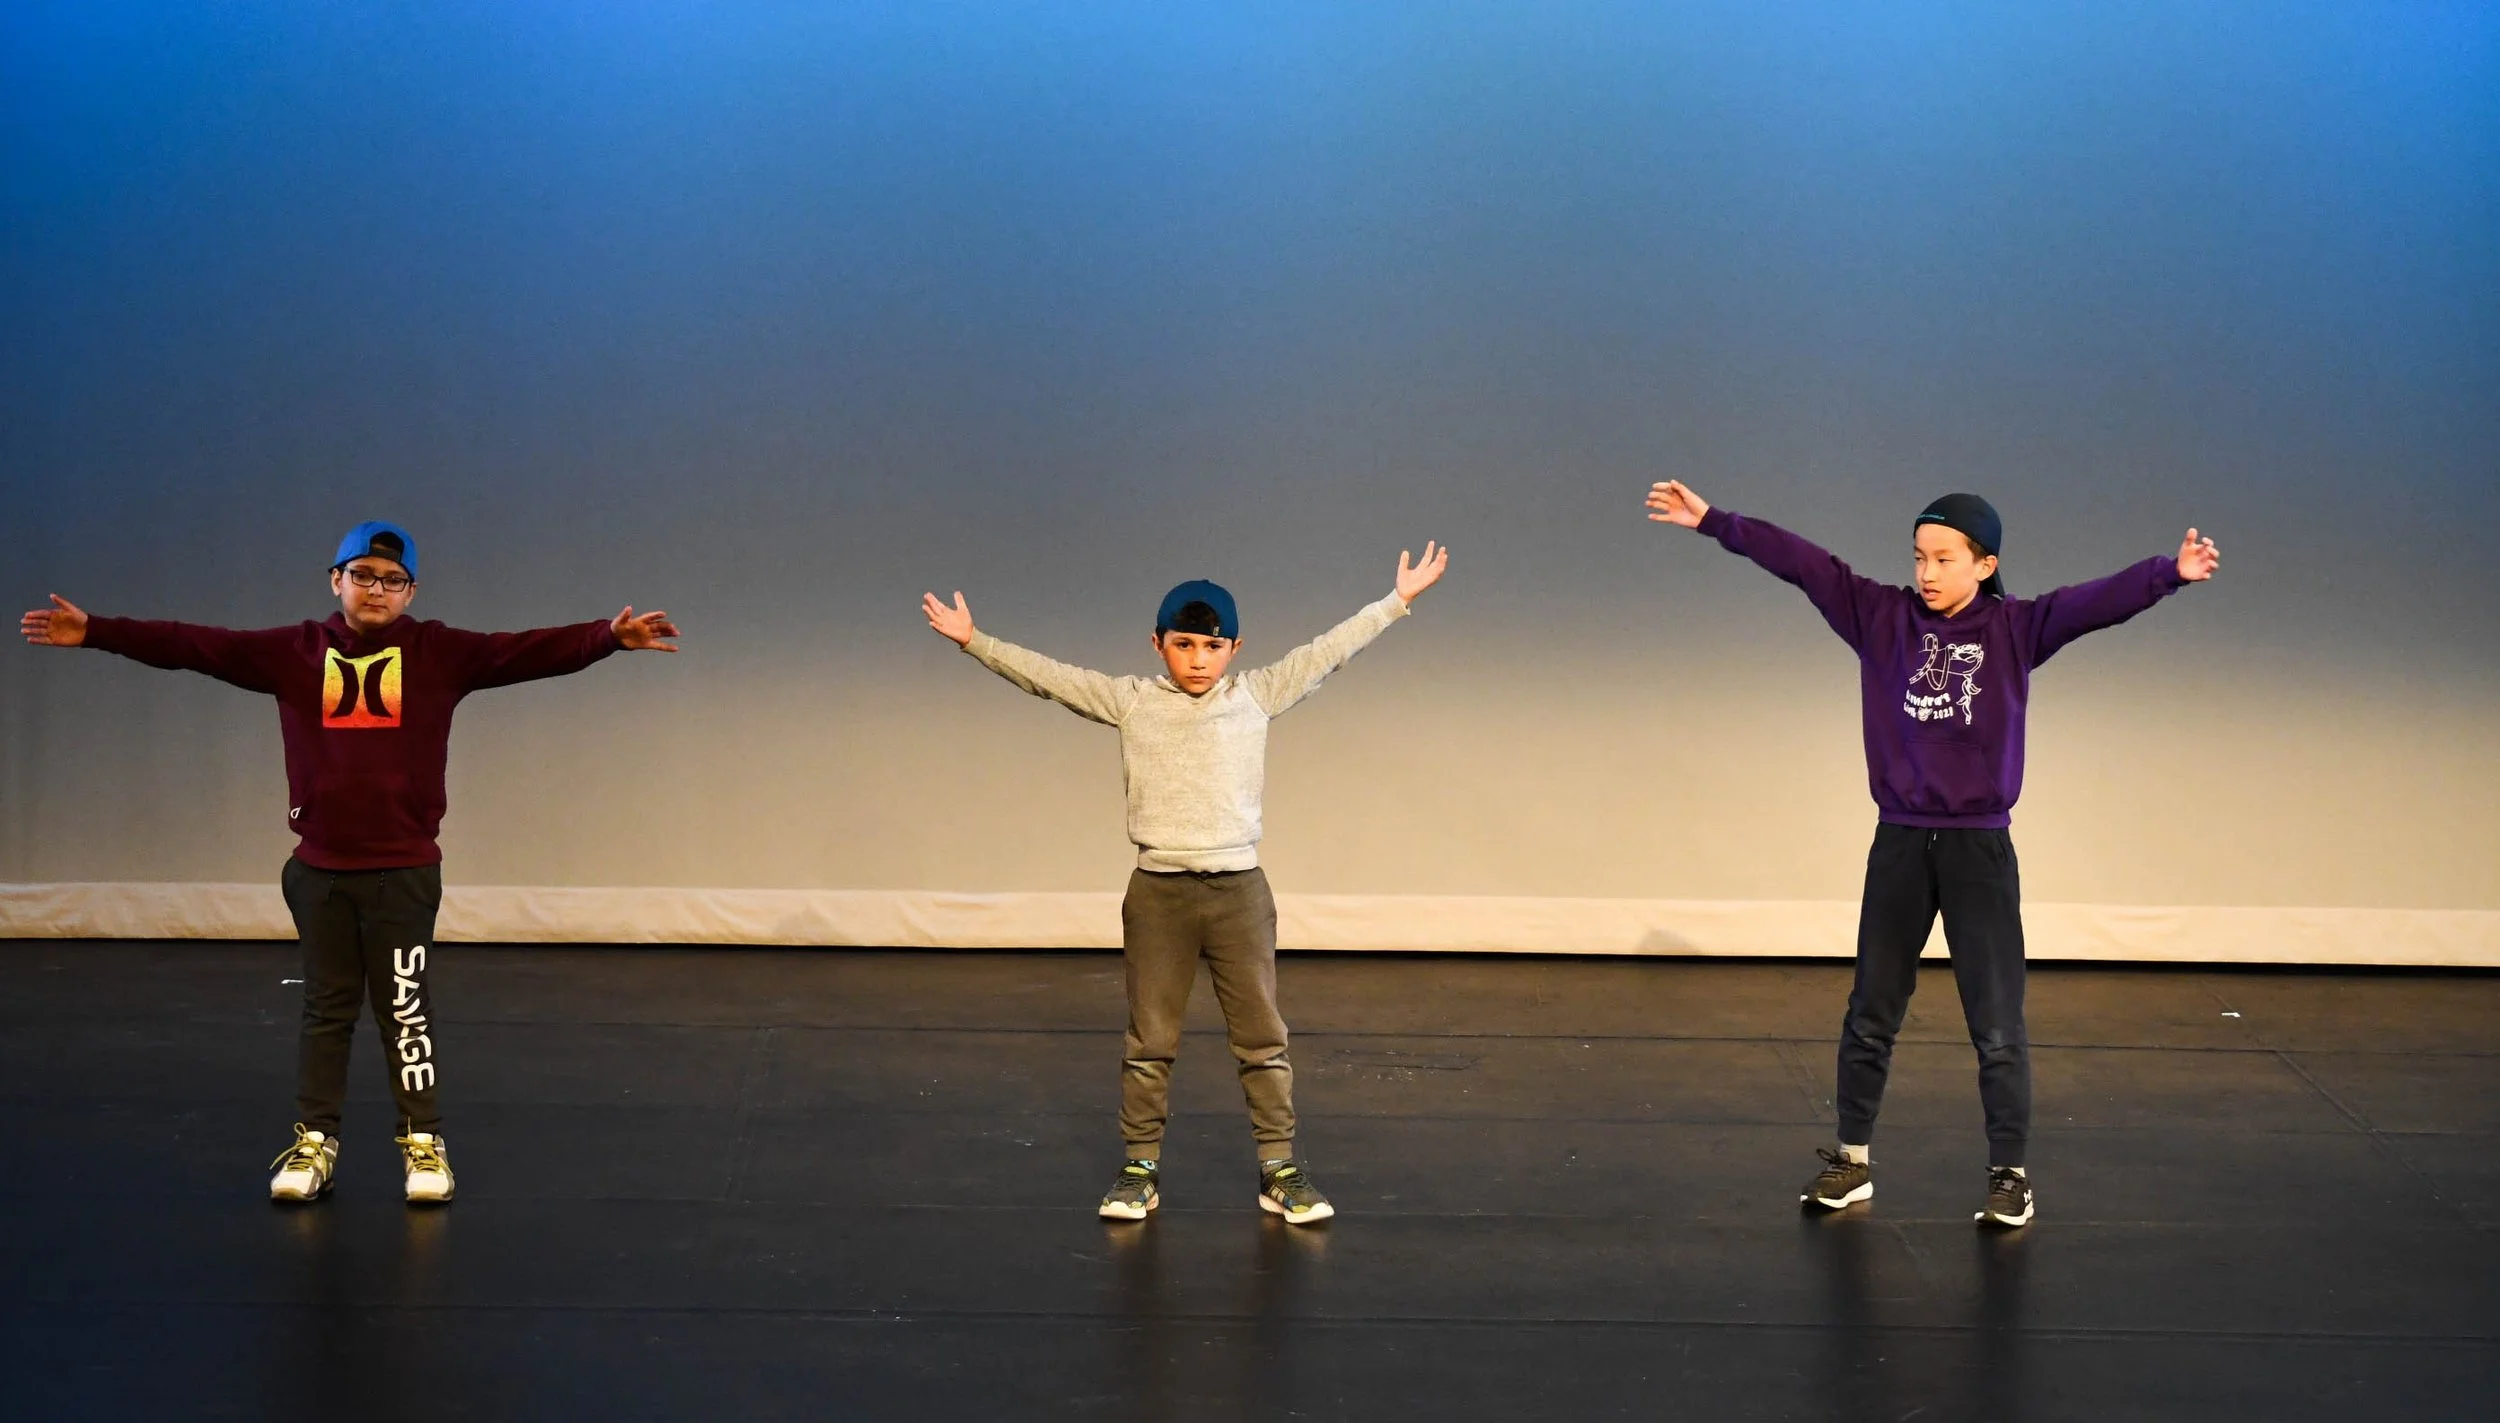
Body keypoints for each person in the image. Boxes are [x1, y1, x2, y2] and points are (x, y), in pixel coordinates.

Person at [19, 521, 680, 1205]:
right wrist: (95, 630)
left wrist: (607, 637)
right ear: (335, 579)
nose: (376, 589)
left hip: (403, 872)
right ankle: (315, 1142)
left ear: (411, 590)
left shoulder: (437, 652)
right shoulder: (294, 653)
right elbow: (194, 644)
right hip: (320, 872)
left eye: (392, 580)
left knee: (404, 1011)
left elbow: (524, 651)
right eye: (362, 574)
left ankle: (424, 1143)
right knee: (326, 1009)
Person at [1645, 482, 2219, 1227]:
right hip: (1901, 844)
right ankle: (1851, 1160)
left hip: (1979, 849)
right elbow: (1804, 564)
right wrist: (1715, 522)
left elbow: (2095, 602)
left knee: (1997, 1021)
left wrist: (2168, 573)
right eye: (1919, 556)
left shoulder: (2016, 628)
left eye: (1944, 557)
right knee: (1871, 1009)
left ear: (1984, 563)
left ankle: (2009, 1174)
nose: (1927, 571)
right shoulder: (1880, 617)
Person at [921, 543, 1451, 1224]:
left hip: (1238, 897)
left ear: (1235, 647)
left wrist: (1397, 600)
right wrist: (976, 642)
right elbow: (1050, 677)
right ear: (1157, 644)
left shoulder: (1257, 693)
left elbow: (1329, 650)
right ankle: (1140, 1167)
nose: (1198, 658)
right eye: (1184, 644)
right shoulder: (1132, 700)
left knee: (1262, 1038)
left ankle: (1279, 1168)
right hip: (1159, 897)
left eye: (1212, 644)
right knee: (1150, 1042)